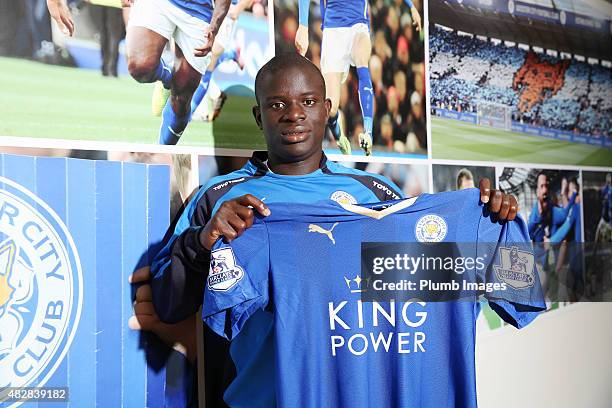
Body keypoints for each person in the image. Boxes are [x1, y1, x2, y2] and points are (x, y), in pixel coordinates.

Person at [129, 54, 519, 406]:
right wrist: (203, 240)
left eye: (308, 102)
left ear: (327, 109)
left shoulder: (377, 195)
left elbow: (427, 289)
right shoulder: (218, 199)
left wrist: (490, 223)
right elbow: (168, 302)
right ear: (259, 116)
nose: (294, 114)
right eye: (277, 104)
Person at [295, 0, 421, 156]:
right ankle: (339, 135)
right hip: (333, 33)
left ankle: (368, 133)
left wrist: (412, 7)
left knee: (362, 61)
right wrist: (303, 26)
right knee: (331, 108)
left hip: (358, 25)